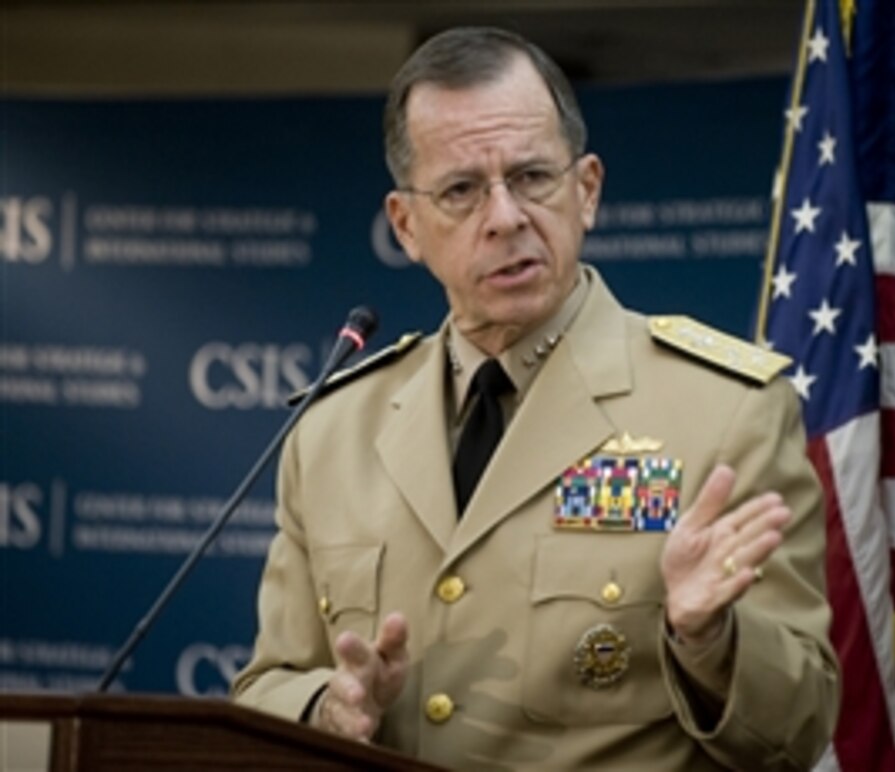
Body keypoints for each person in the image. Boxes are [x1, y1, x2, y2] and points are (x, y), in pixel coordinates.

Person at [232, 26, 839, 771]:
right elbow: (265, 688)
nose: (506, 217)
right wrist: (327, 707)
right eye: (461, 190)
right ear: (406, 225)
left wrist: (710, 643)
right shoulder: (331, 430)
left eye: (531, 179)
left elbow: (803, 728)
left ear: (586, 191)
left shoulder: (728, 410)